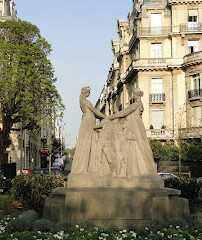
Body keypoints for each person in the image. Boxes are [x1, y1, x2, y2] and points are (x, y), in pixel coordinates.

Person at [71, 86, 106, 174]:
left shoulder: (82, 101)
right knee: (88, 143)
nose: (89, 94)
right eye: (89, 92)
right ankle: (85, 167)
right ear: (86, 92)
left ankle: (88, 166)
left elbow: (95, 113)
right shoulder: (86, 102)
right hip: (88, 120)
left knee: (87, 142)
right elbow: (95, 111)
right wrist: (106, 117)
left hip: (87, 120)